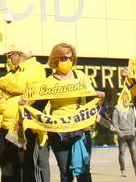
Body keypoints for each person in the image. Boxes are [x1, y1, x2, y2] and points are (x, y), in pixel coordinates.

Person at [29, 42, 105, 182]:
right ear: (55, 59)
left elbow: (90, 99)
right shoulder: (49, 82)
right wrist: (25, 106)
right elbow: (38, 106)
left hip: (80, 129)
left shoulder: (80, 76)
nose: (68, 61)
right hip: (58, 132)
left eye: (71, 58)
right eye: (64, 58)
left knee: (83, 171)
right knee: (65, 173)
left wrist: (98, 97)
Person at [0, 42, 47, 182]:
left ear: (19, 55)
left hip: (23, 127)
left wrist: (2, 81)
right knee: (8, 168)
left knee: (25, 168)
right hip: (6, 127)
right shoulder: (13, 72)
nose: (8, 59)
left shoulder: (35, 67)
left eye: (10, 56)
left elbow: (19, 84)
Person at [111, 92, 136, 177]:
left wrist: (133, 132)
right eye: (124, 98)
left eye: (127, 98)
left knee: (133, 152)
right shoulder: (116, 110)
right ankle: (123, 170)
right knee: (122, 152)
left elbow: (133, 122)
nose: (126, 100)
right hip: (122, 135)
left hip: (130, 134)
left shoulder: (131, 109)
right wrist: (119, 133)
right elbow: (115, 123)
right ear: (121, 99)